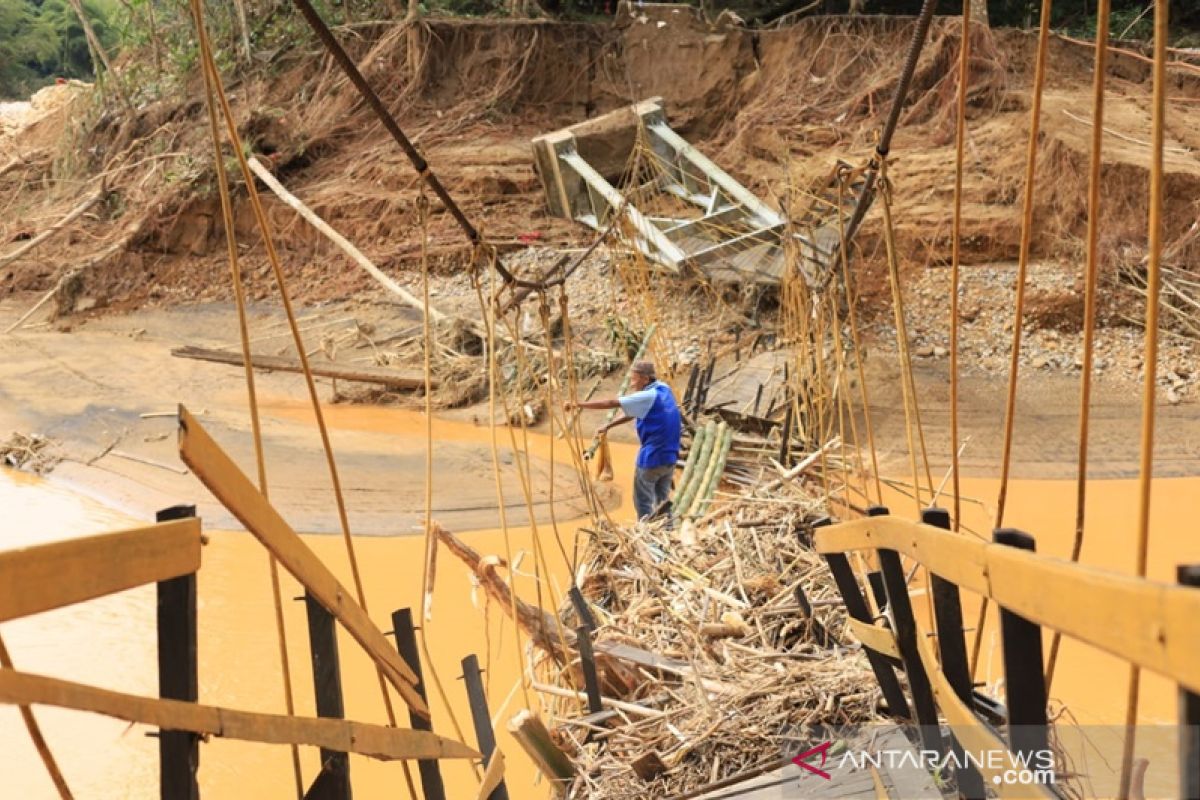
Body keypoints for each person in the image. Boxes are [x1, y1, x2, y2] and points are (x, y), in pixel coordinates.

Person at [564, 361, 682, 522]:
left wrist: (578, 404)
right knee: (662, 499)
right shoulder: (663, 389)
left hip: (652, 458)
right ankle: (668, 529)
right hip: (670, 457)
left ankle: (646, 533)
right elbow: (636, 411)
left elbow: (611, 403)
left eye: (634, 380)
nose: (632, 384)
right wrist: (609, 425)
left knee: (643, 501)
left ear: (645, 379)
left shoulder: (647, 395)